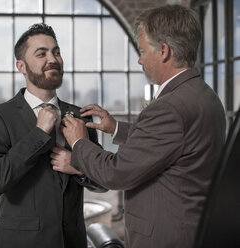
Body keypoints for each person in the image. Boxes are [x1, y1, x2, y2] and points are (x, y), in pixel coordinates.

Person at [60, 5, 227, 248]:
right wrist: (117, 128)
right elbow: (171, 142)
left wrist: (79, 142)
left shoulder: (169, 107)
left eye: (142, 51)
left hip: (165, 238)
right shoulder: (205, 96)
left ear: (164, 51)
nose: (139, 59)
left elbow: (115, 173)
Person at [0, 23, 106, 248]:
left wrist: (79, 166)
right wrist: (39, 133)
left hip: (72, 242)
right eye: (41, 53)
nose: (53, 58)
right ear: (21, 66)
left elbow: (104, 181)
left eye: (56, 52)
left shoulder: (80, 116)